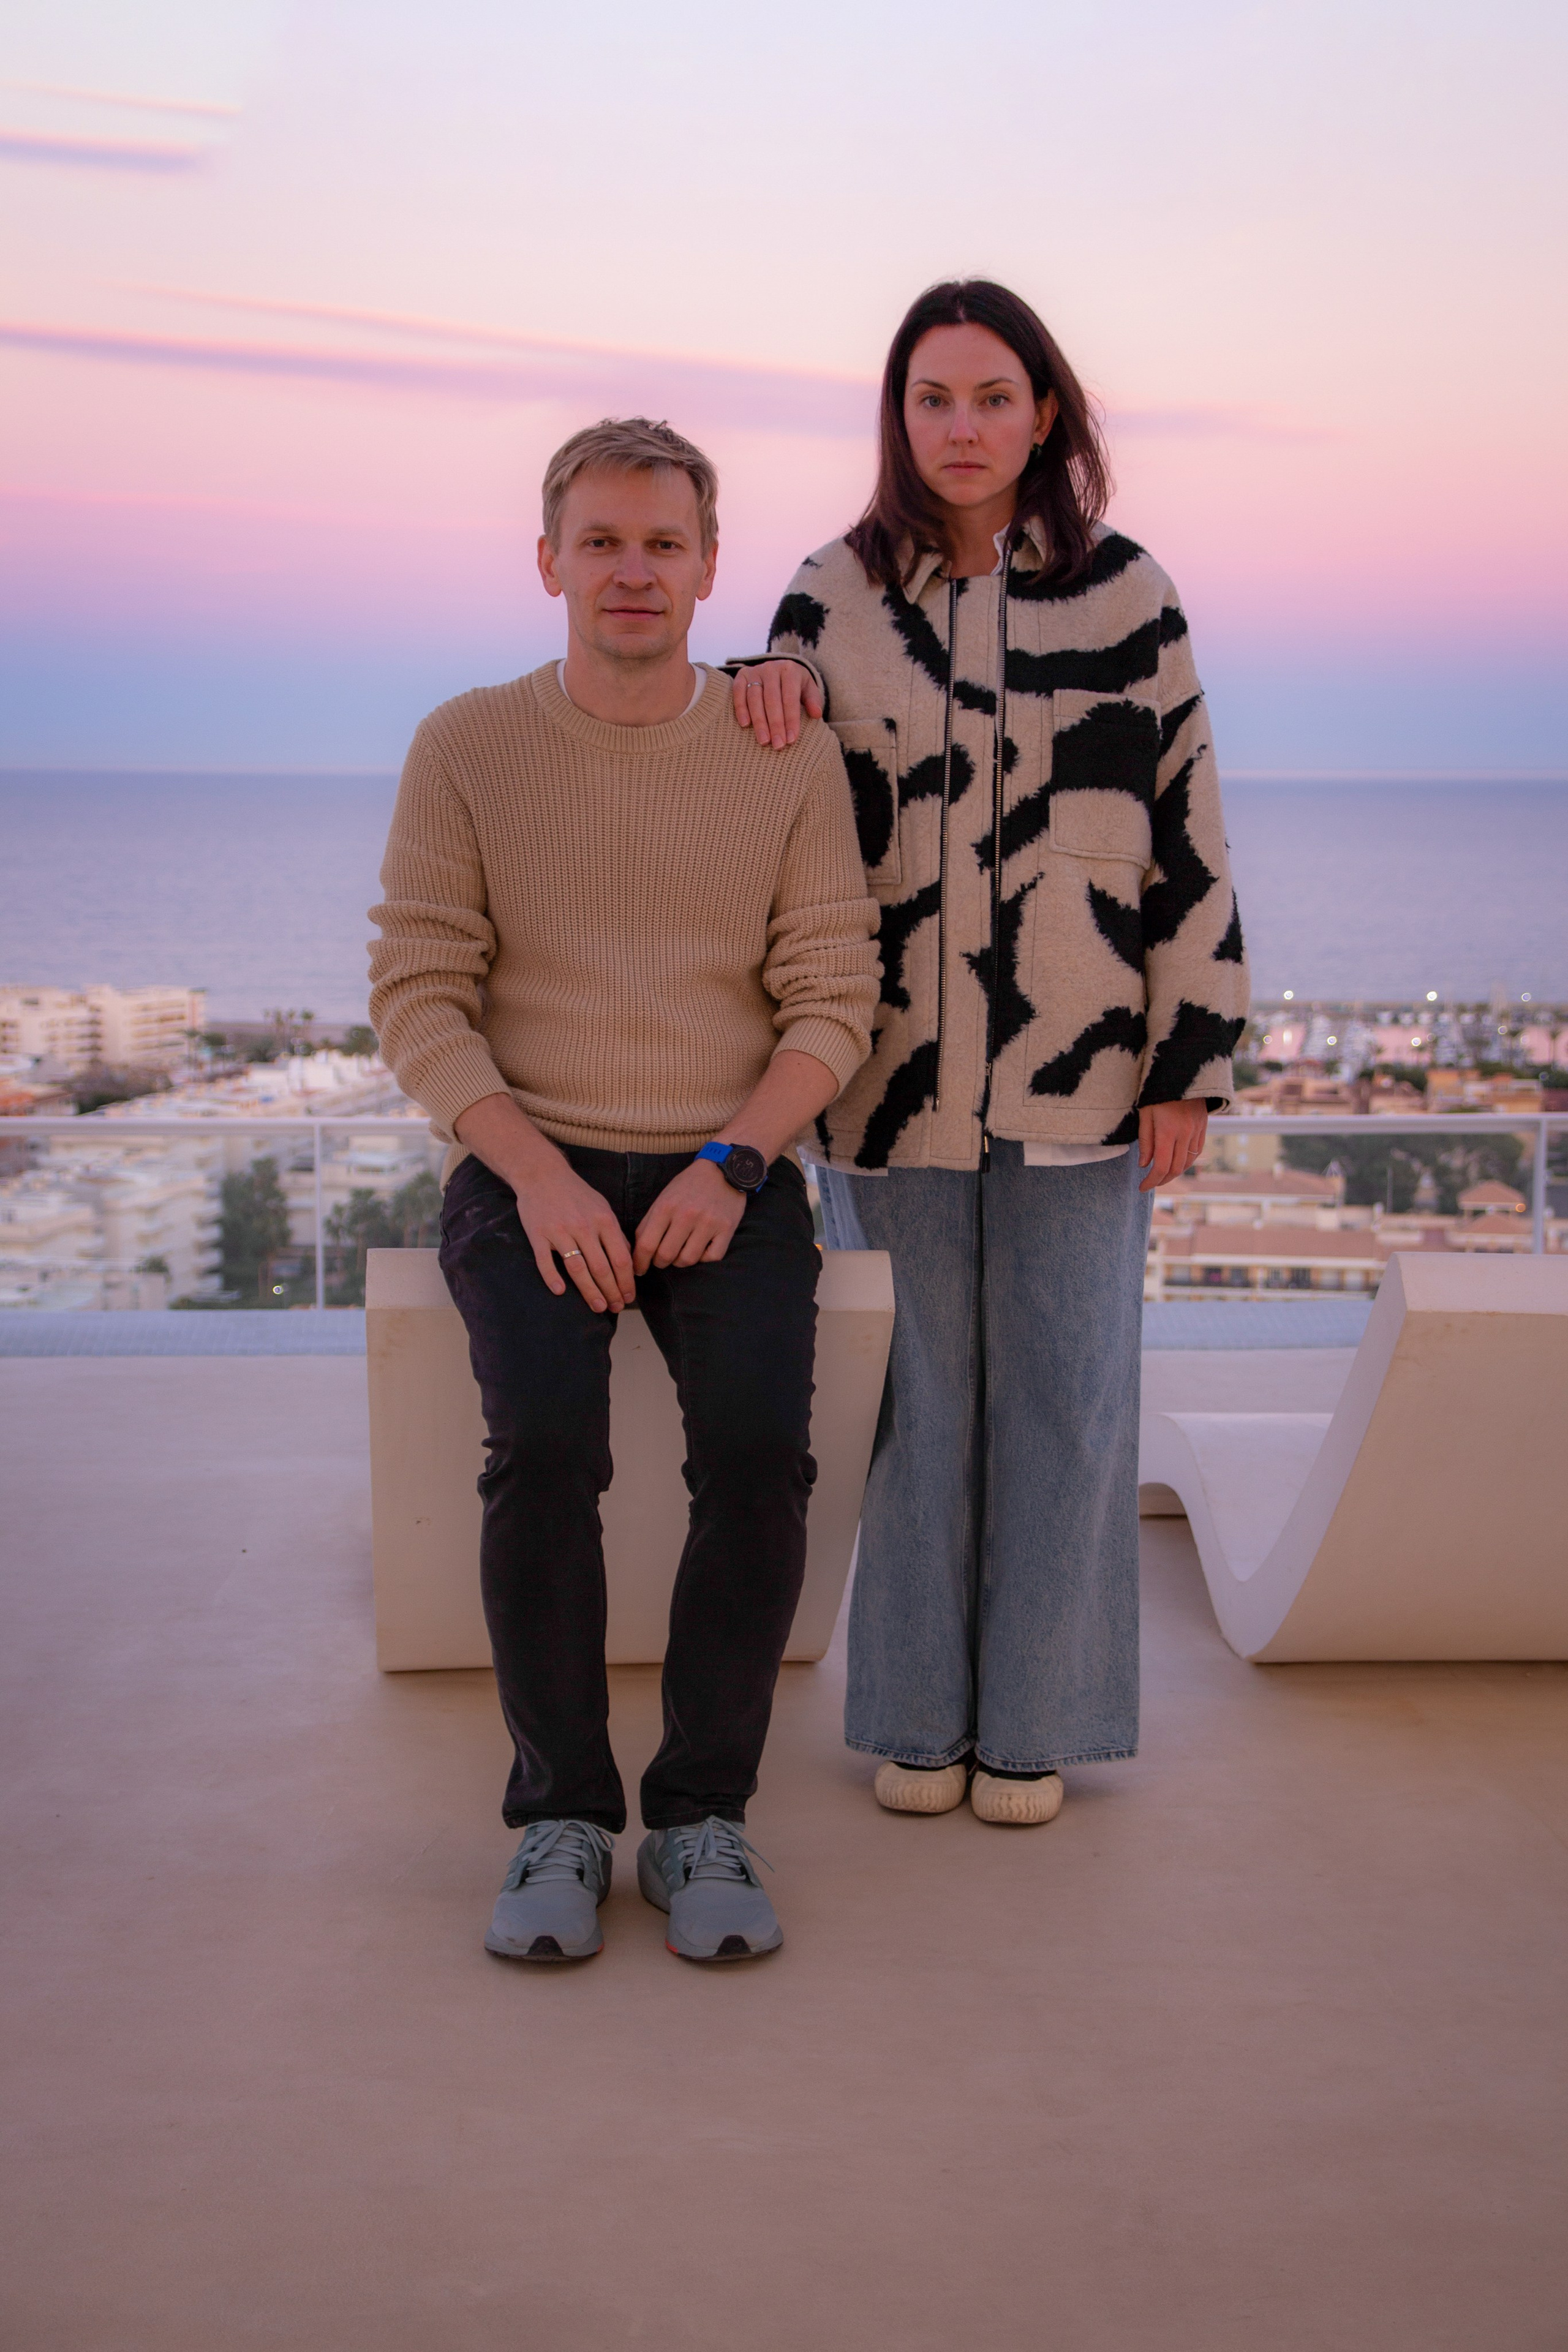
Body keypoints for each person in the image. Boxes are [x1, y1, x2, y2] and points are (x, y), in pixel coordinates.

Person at [730, 280, 1249, 1826]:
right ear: (897, 416)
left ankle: (1033, 1723)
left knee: (1069, 1399)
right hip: (881, 1087)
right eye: (931, 398)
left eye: (991, 397)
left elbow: (1187, 830)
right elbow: (759, 806)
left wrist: (1190, 1057)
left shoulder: (1131, 597)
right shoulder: (826, 592)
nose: (961, 428)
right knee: (909, 1409)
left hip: (1081, 1082)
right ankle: (914, 1717)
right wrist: (741, 685)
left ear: (1043, 413)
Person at [369, 418, 878, 1961]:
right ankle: (563, 1819)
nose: (633, 571)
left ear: (710, 567)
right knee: (540, 1445)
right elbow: (418, 992)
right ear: (548, 564)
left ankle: (704, 1816)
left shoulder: (781, 752)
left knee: (754, 1457)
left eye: (663, 544)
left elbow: (832, 998)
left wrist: (735, 1160)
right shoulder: (466, 743)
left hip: (728, 1159)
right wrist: (529, 1172)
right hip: (528, 1161)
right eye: (601, 541)